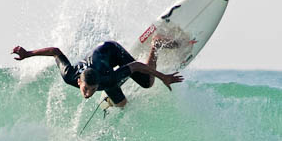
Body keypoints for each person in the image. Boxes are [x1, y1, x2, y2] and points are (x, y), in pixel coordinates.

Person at [11, 39, 183, 107]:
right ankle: (111, 99)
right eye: (87, 89)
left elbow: (137, 65)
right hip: (101, 63)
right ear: (79, 82)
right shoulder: (69, 75)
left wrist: (163, 77)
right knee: (122, 104)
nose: (88, 94)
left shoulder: (106, 80)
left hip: (111, 51)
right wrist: (28, 54)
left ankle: (156, 45)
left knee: (147, 83)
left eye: (92, 90)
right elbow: (55, 51)